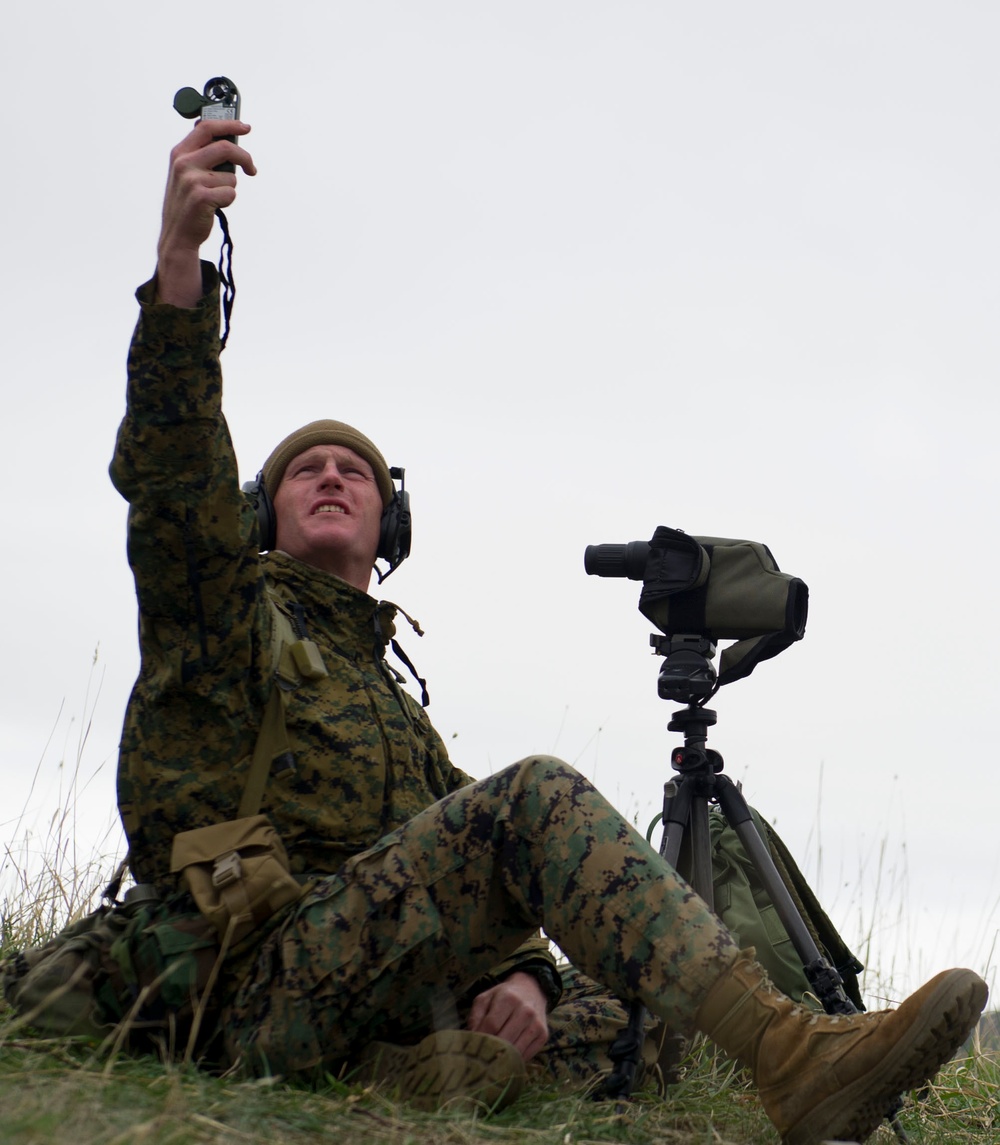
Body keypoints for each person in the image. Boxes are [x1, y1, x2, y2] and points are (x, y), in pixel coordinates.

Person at [108, 117, 987, 1145]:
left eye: (356, 468)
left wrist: (524, 977)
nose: (335, 475)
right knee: (532, 791)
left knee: (638, 992)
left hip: (370, 993)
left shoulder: (388, 702)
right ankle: (798, 1058)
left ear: (390, 525)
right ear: (262, 513)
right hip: (256, 989)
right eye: (307, 468)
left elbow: (486, 872)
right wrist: (179, 267)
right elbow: (174, 489)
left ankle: (410, 1075)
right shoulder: (220, 620)